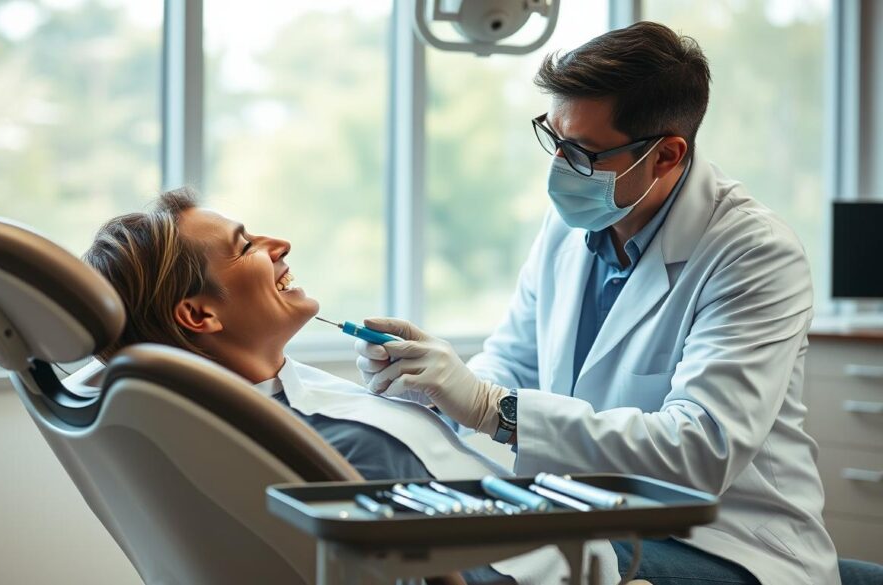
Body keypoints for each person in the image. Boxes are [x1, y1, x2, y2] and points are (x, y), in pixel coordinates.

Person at [354, 21, 839, 585]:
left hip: (724, 544)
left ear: (666, 155)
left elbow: (700, 452)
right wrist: (440, 387)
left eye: (582, 152)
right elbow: (514, 362)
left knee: (484, 575)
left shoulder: (754, 254)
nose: (560, 166)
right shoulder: (571, 227)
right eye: (554, 138)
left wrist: (493, 408)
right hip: (590, 514)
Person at [81, 188, 621, 585]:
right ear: (199, 314)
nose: (280, 244)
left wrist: (444, 399)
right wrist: (482, 408)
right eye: (245, 246)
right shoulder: (344, 446)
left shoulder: (217, 407)